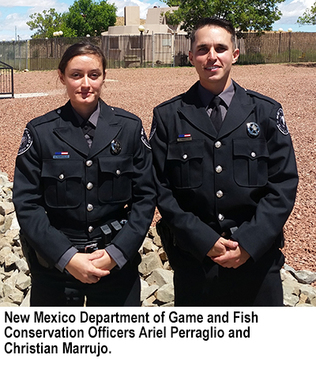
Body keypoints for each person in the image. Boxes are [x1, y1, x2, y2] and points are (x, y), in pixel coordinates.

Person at [150, 17, 298, 306]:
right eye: (203, 49)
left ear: (235, 54)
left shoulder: (265, 112)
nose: (212, 56)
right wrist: (204, 240)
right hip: (195, 263)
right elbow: (159, 187)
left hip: (257, 263)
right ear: (191, 56)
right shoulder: (168, 116)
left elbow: (283, 183)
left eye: (220, 47)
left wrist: (248, 242)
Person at [13, 42, 156, 306]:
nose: (85, 84)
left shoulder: (128, 127)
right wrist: (67, 257)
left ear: (104, 76)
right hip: (56, 269)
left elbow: (146, 197)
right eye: (76, 75)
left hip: (115, 264)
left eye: (94, 74)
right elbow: (26, 203)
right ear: (62, 77)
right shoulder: (40, 132)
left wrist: (117, 252)